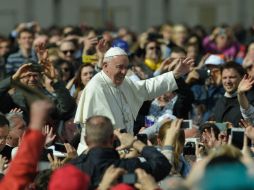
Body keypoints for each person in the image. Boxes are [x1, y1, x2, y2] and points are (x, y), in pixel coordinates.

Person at [75, 47, 194, 152]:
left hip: (120, 148)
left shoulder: (122, 82)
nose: (124, 72)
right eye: (119, 67)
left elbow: (147, 88)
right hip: (98, 151)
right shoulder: (96, 87)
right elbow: (108, 129)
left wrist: (175, 74)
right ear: (105, 66)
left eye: (126, 67)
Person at [70, 115, 171, 189]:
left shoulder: (72, 170)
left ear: (86, 140)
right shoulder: (124, 172)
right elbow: (162, 165)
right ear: (113, 138)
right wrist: (135, 143)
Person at [213, 61, 245, 127]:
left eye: (232, 77)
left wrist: (224, 127)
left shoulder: (249, 100)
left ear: (242, 78)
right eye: (224, 78)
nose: (227, 81)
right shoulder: (219, 102)